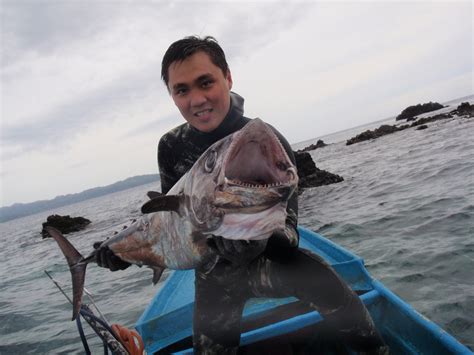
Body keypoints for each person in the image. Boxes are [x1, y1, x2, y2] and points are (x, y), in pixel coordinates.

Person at [97, 36, 388, 354]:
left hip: (270, 263)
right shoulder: (170, 147)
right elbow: (173, 226)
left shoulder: (266, 144)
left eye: (205, 82)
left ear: (228, 78)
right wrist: (127, 254)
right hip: (214, 277)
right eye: (182, 90)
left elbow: (289, 233)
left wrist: (256, 242)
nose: (196, 99)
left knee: (322, 278)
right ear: (172, 96)